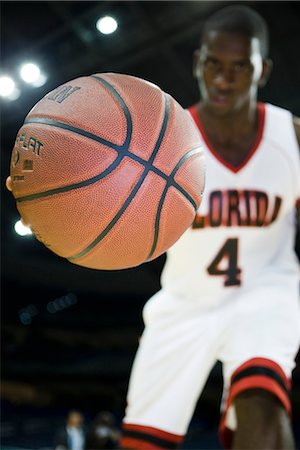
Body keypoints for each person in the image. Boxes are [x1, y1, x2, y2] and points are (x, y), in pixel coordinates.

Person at [119, 5, 300, 450]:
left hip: (265, 296)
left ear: (263, 70)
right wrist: (51, 203)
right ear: (198, 61)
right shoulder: (165, 141)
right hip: (184, 303)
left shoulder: (292, 136)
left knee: (266, 408)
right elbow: (108, 206)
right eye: (214, 64)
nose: (223, 79)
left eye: (240, 67)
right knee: (144, 442)